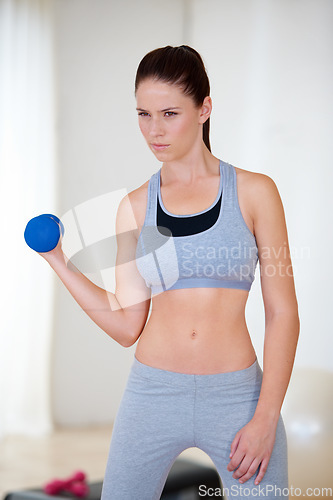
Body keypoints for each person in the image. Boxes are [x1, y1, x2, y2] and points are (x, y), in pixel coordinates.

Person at [39, 45, 300, 499]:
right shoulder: (136, 207)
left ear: (205, 108)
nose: (154, 131)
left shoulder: (256, 194)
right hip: (152, 394)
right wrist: (58, 261)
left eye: (169, 113)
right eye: (143, 114)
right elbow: (126, 324)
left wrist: (264, 418)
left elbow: (283, 314)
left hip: (238, 398)